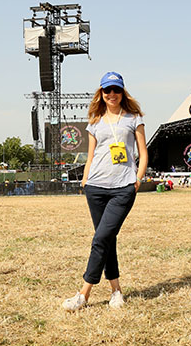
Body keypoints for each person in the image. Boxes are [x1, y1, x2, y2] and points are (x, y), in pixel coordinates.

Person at [62, 71, 147, 312]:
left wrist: (137, 180)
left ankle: (83, 294)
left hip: (123, 187)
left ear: (123, 92)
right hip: (96, 187)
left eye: (116, 90)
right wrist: (85, 180)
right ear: (101, 93)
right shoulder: (95, 122)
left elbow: (143, 152)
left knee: (100, 238)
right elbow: (91, 156)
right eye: (107, 90)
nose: (112, 94)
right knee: (107, 238)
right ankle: (116, 291)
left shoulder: (134, 118)